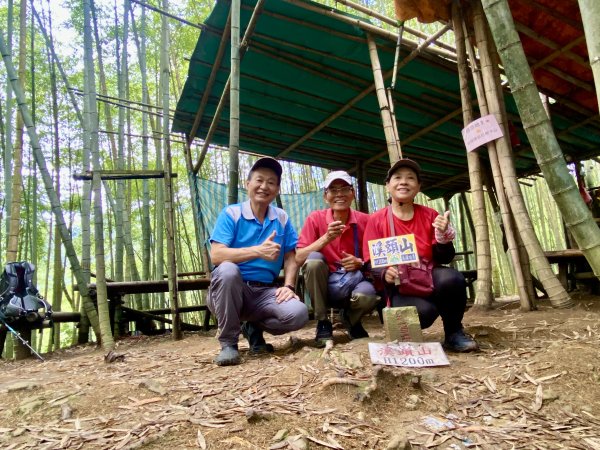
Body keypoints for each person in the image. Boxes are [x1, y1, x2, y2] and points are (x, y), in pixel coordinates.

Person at [362, 159, 478, 352]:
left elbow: (444, 258)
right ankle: (428, 309)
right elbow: (368, 261)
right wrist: (384, 273)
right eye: (397, 178)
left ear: (418, 187)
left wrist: (443, 239)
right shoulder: (377, 220)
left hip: (427, 278)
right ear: (387, 186)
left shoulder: (430, 215)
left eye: (410, 178)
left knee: (452, 278)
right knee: (422, 314)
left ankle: (454, 332)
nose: (403, 182)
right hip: (399, 288)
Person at [207, 157, 309, 366]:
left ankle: (253, 326)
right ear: (247, 184)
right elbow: (217, 255)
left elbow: (291, 256)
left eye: (271, 182)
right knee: (227, 271)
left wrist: (289, 285)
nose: (264, 186)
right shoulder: (231, 213)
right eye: (259, 180)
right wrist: (257, 251)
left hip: (264, 293)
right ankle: (228, 344)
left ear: (277, 189)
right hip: (230, 292)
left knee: (298, 313)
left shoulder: (281, 218)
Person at [296, 171, 379, 346]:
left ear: (353, 194)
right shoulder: (315, 219)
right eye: (333, 190)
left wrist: (360, 262)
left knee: (367, 296)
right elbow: (299, 257)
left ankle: (352, 320)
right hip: (323, 287)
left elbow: (377, 257)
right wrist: (325, 238)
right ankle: (323, 321)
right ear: (326, 196)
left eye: (344, 189)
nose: (339, 194)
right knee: (313, 261)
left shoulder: (366, 220)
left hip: (353, 283)